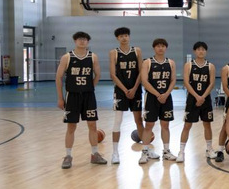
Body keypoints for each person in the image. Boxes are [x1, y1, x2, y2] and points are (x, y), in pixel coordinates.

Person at [57, 31, 104, 169]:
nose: (82, 41)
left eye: (85, 39)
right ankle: (68, 156)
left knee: (92, 125)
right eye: (79, 39)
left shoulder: (93, 57)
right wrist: (60, 98)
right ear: (75, 41)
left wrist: (90, 87)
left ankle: (95, 154)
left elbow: (98, 74)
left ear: (88, 42)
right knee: (71, 126)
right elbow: (58, 77)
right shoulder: (67, 57)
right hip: (72, 96)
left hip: (88, 96)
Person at [108, 27, 144, 165]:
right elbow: (113, 74)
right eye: (121, 36)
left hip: (136, 90)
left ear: (129, 37)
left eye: (126, 35)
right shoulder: (114, 53)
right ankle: (115, 153)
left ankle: (145, 151)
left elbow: (141, 71)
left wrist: (134, 88)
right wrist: (125, 90)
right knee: (117, 121)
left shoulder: (137, 51)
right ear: (117, 38)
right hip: (120, 91)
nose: (124, 38)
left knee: (139, 120)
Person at [177, 41, 216, 164]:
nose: (201, 51)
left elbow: (211, 83)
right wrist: (197, 97)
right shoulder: (189, 65)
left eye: (203, 49)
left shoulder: (210, 66)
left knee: (207, 124)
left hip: (206, 99)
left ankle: (209, 149)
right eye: (198, 49)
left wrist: (202, 97)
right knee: (187, 125)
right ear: (195, 51)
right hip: (192, 99)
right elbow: (186, 82)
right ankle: (181, 151)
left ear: (206, 51)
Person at [139, 38, 177, 164]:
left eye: (163, 46)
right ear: (154, 48)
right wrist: (158, 94)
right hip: (151, 97)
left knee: (165, 125)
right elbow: (144, 81)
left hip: (166, 97)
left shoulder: (171, 63)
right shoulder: (147, 62)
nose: (160, 48)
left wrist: (166, 94)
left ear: (166, 48)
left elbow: (173, 80)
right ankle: (145, 152)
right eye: (158, 46)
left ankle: (166, 151)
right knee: (149, 125)